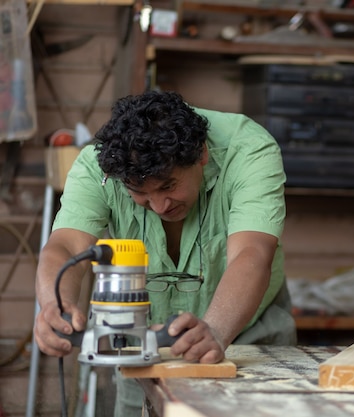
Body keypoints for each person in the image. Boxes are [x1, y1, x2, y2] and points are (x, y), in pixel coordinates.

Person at [33, 90, 297, 416]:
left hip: (250, 335)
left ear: (200, 154)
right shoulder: (98, 167)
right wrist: (54, 306)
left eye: (168, 186)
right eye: (140, 194)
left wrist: (214, 330)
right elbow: (66, 246)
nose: (158, 206)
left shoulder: (250, 150)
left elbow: (252, 253)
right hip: (144, 341)